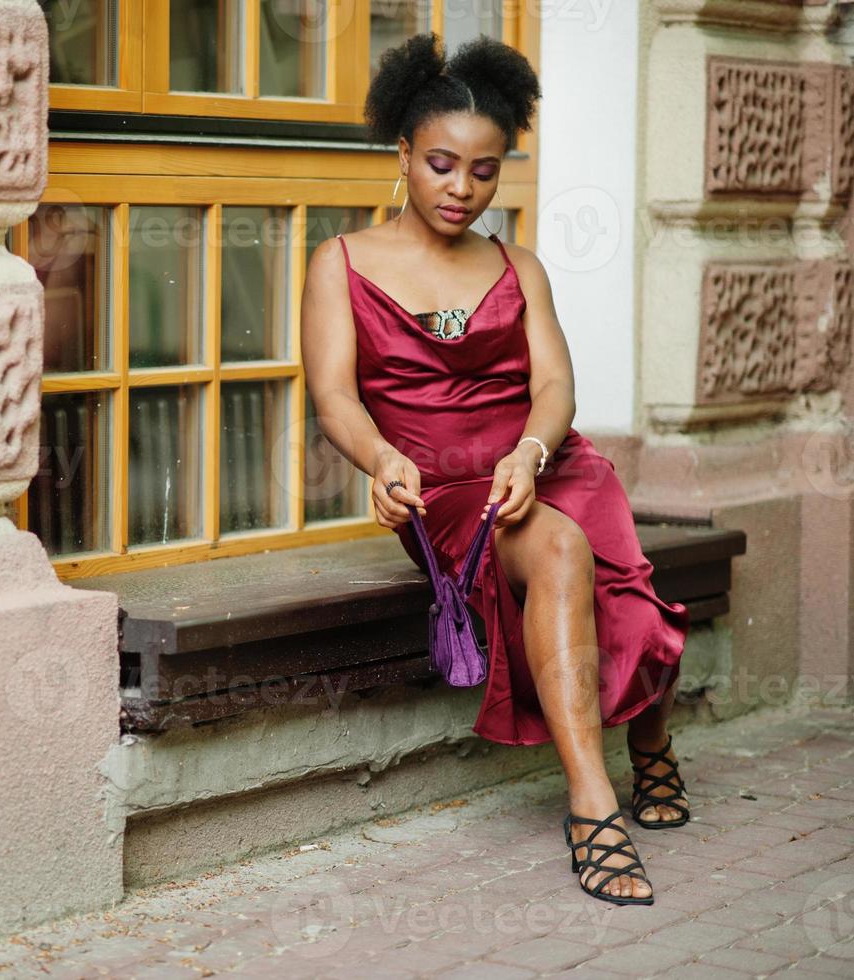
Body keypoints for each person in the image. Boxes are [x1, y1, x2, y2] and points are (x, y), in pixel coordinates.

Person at [301, 33, 692, 906]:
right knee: (557, 554)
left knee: (629, 590)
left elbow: (554, 384)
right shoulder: (340, 263)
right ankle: (593, 809)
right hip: (437, 488)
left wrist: (531, 450)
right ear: (402, 154)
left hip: (544, 461)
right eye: (440, 163)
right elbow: (335, 398)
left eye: (483, 171)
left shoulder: (519, 267)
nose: (460, 187)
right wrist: (380, 458)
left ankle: (652, 747)